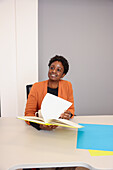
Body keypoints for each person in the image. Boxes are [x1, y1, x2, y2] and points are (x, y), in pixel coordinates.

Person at [25, 55, 75, 130]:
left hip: (60, 128)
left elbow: (71, 109)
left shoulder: (67, 85)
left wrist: (69, 114)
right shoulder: (36, 87)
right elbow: (29, 114)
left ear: (63, 75)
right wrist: (40, 126)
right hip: (41, 130)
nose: (54, 71)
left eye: (58, 70)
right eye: (52, 68)